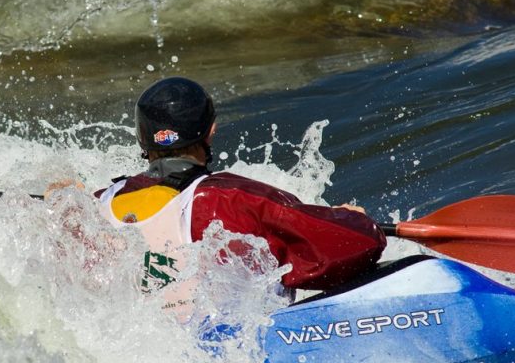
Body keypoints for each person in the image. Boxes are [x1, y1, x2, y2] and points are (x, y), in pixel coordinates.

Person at [92, 77, 386, 321]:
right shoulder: (230, 199)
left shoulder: (94, 206)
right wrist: (356, 220)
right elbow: (350, 250)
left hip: (142, 354)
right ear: (211, 131)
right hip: (231, 354)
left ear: (142, 140)